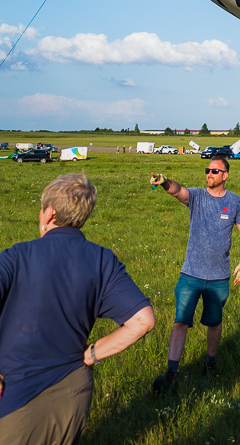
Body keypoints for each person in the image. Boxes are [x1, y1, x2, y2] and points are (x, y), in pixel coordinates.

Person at [0, 172, 154, 443]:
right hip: (72, 393)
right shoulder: (103, 261)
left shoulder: (17, 256)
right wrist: (91, 354)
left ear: (48, 214)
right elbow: (143, 320)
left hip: (15, 393)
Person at [150, 157, 240, 391]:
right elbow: (179, 192)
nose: (209, 173)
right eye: (208, 170)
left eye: (215, 171)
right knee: (180, 322)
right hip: (191, 274)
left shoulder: (234, 202)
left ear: (225, 175)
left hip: (218, 278)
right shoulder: (197, 196)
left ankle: (210, 364)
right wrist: (165, 182)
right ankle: (172, 373)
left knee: (214, 323)